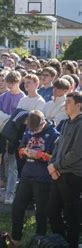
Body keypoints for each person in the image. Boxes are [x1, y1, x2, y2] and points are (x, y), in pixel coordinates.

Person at [11, 110, 59, 247]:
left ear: (43, 122)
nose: (33, 132)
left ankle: (40, 240)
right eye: (31, 129)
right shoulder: (28, 130)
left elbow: (56, 158)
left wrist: (40, 155)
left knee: (41, 212)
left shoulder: (54, 135)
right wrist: (24, 152)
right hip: (27, 175)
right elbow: (20, 149)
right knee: (17, 207)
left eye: (36, 129)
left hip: (43, 179)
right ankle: (15, 238)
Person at [47, 92, 82, 248]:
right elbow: (57, 146)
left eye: (68, 102)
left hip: (72, 175)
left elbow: (76, 153)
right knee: (52, 211)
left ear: (79, 105)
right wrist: (53, 165)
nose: (65, 105)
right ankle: (60, 242)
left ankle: (72, 243)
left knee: (71, 214)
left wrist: (56, 166)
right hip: (58, 172)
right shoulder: (67, 122)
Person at [0, 71, 25, 204]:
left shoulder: (23, 97)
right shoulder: (3, 96)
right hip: (0, 135)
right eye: (8, 82)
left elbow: (21, 117)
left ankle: (10, 194)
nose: (10, 85)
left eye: (13, 82)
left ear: (18, 82)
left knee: (12, 165)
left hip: (14, 136)